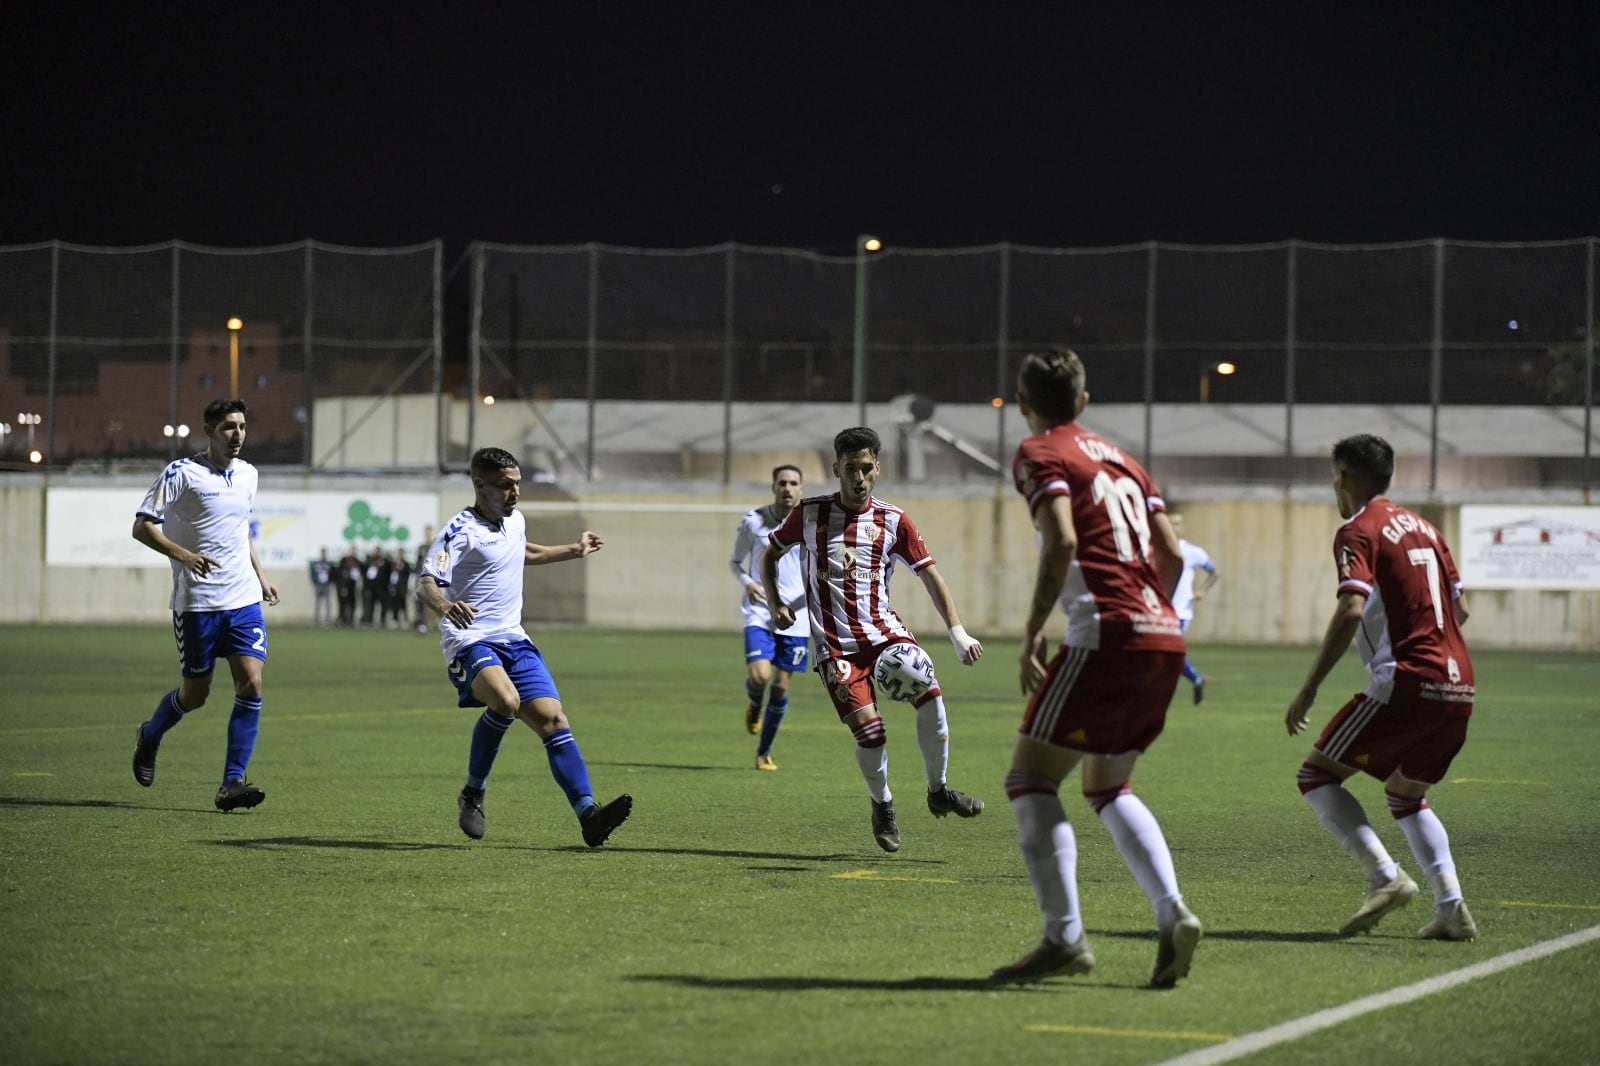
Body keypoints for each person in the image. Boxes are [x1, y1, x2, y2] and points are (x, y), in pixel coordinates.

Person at [988, 348, 1202, 990]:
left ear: (1023, 404)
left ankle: (1064, 938)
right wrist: (1153, 613)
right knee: (1109, 785)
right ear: (1083, 402)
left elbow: (1062, 539)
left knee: (1030, 780)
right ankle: (1173, 912)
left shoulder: (1039, 453)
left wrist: (1032, 628)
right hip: (1161, 634)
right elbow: (1169, 552)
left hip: (1105, 633)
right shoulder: (1126, 461)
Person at [1286, 433, 1478, 941]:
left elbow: (1351, 607)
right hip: (1459, 685)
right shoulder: (1427, 529)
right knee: (1407, 795)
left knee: (1316, 776)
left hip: (1407, 678)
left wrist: (1308, 690)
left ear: (1344, 478)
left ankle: (1384, 877)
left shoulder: (1358, 529)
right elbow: (1460, 609)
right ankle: (1452, 909)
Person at [764, 426, 984, 853]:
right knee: (872, 734)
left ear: (878, 468)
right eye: (851, 469)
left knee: (931, 696)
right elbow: (770, 553)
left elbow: (930, 576)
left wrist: (956, 631)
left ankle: (938, 789)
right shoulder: (809, 515)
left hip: (886, 637)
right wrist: (775, 602)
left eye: (867, 468)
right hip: (835, 646)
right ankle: (882, 804)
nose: (859, 477)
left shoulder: (894, 520)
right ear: (836, 469)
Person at [416, 446, 632, 848]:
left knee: (554, 721)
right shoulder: (459, 530)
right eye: (505, 486)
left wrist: (573, 549)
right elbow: (426, 579)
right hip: (471, 640)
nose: (514, 493)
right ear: (480, 485)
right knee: (505, 700)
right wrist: (445, 605)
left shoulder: (514, 521)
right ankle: (473, 792)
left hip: (515, 639)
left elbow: (523, 552)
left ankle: (589, 813)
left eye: (517, 484)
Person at [130, 398, 282, 812]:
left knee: (251, 682)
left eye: (243, 427)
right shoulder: (182, 473)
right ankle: (151, 734)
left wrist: (261, 575)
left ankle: (232, 783)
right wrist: (185, 556)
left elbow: (240, 531)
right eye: (229, 428)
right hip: (197, 603)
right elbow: (142, 527)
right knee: (196, 695)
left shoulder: (249, 474)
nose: (238, 435)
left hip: (243, 599)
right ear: (209, 431)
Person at [729, 464, 809, 771]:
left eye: (793, 483)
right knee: (761, 676)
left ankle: (764, 752)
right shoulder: (753, 521)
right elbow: (735, 561)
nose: (787, 488)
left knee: (781, 686)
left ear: (801, 489)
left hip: (797, 615)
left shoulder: (810, 523)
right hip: (761, 610)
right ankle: (753, 701)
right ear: (774, 487)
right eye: (782, 483)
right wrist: (748, 583)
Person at [1168, 513, 1219, 704]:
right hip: (1159, 612)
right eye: (1171, 523)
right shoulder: (1154, 549)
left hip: (1181, 612)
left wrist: (1202, 591)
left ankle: (1195, 679)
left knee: (1171, 653)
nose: (1175, 527)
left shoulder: (1191, 552)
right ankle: (1196, 679)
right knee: (1164, 654)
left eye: (1178, 524)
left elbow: (1214, 572)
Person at [413, 525, 435, 634]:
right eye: (426, 533)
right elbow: (417, 565)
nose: (428, 535)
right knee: (420, 603)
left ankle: (435, 624)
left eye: (429, 533)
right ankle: (421, 624)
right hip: (421, 580)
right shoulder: (421, 548)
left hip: (433, 580)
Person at [309, 546, 335, 628]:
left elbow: (332, 574)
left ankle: (327, 621)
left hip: (326, 585)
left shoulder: (329, 564)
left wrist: (330, 581)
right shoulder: (317, 563)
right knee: (317, 603)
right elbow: (312, 573)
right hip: (318, 585)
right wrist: (314, 582)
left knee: (328, 603)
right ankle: (316, 621)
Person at [336, 545, 361, 627]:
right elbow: (338, 572)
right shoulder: (344, 560)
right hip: (344, 585)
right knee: (343, 603)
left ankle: (350, 620)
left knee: (352, 603)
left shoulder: (357, 561)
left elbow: (360, 572)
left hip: (352, 587)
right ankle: (341, 619)